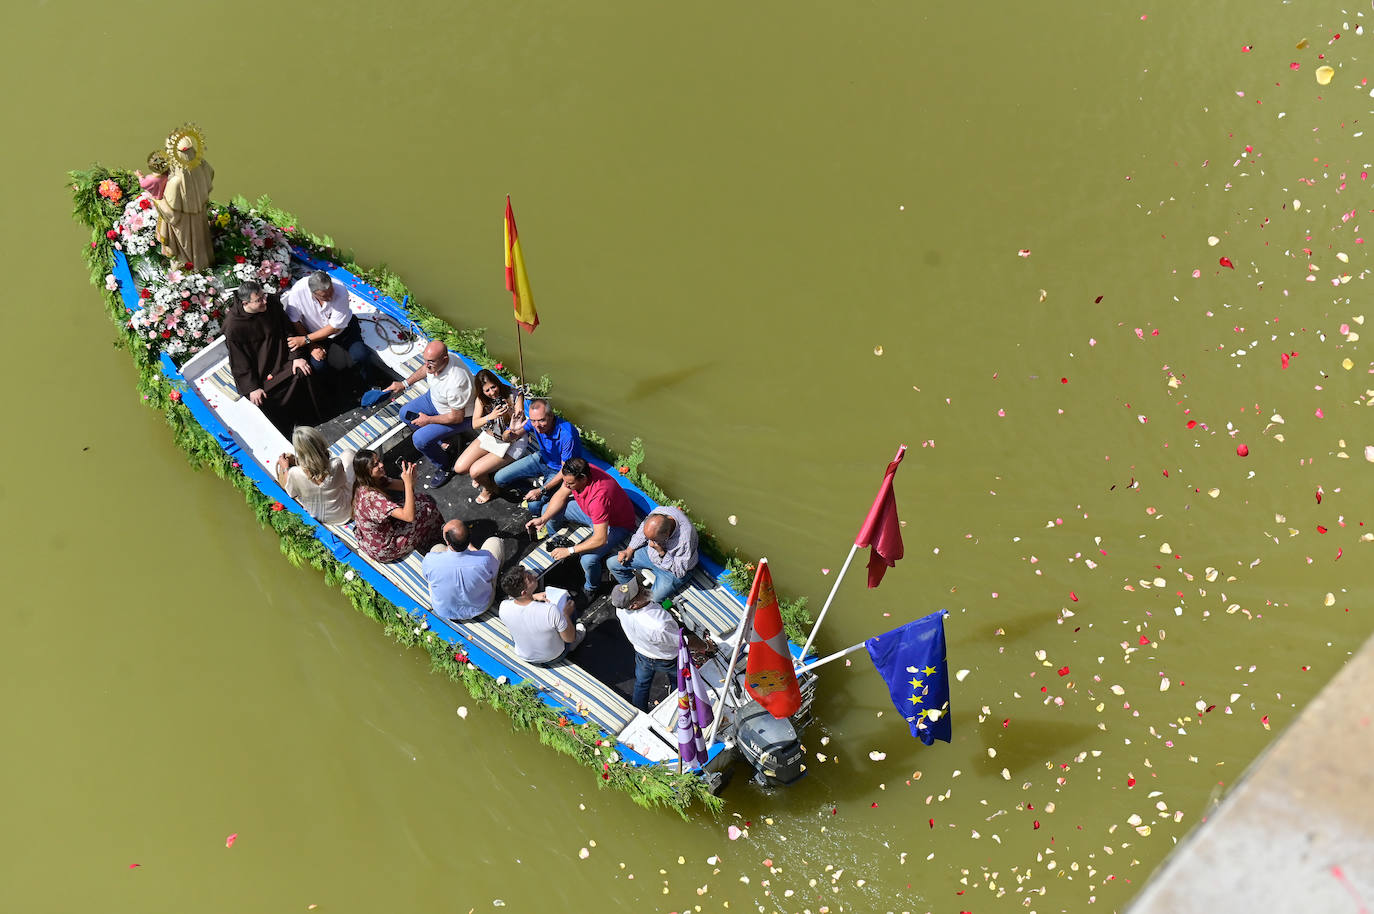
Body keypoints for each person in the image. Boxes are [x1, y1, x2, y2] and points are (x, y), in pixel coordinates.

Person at [525, 457, 636, 602]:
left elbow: (600, 539)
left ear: (583, 479)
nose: (566, 485)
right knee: (548, 510)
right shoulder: (578, 471)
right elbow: (560, 494)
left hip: (615, 525)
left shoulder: (598, 498)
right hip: (590, 513)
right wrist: (543, 519)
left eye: (570, 483)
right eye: (565, 481)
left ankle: (592, 587)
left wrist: (570, 551)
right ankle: (557, 544)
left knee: (588, 560)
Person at [222, 280, 321, 433]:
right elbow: (239, 360)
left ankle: (316, 419)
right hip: (260, 371)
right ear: (245, 303)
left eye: (264, 295)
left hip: (283, 357)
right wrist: (252, 387)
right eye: (259, 300)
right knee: (263, 398)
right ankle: (288, 431)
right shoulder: (234, 326)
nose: (264, 301)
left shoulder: (272, 304)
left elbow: (288, 329)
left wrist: (296, 356)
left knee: (303, 371)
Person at [384, 341, 474, 488]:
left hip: (457, 416)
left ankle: (445, 465)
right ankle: (441, 441)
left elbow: (457, 417)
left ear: (444, 359)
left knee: (419, 439)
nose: (426, 365)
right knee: (405, 413)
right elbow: (425, 369)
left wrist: (428, 421)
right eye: (425, 360)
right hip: (435, 400)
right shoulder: (436, 363)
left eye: (430, 361)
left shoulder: (456, 382)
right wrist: (404, 384)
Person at [350, 449, 444, 563]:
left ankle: (428, 534)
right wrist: (409, 484)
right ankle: (436, 539)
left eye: (379, 461)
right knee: (429, 510)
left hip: (376, 535)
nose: (381, 465)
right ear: (367, 472)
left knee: (421, 499)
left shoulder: (367, 481)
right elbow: (409, 516)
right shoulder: (372, 499)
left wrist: (411, 479)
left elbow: (404, 487)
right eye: (375, 465)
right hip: (385, 548)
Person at [282, 271, 374, 385]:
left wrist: (305, 340)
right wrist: (311, 345)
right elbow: (294, 320)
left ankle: (369, 384)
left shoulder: (340, 290)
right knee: (318, 365)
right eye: (325, 296)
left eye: (331, 292)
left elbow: (334, 327)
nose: (330, 297)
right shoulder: (297, 292)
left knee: (361, 355)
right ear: (313, 293)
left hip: (343, 330)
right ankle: (338, 389)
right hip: (315, 334)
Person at [452, 370, 530, 504]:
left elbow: (518, 424)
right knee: (460, 468)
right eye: (487, 390)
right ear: (482, 391)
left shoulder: (515, 395)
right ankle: (486, 474)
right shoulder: (482, 399)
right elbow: (475, 423)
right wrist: (490, 416)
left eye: (494, 387)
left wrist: (510, 413)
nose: (492, 393)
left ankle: (490, 489)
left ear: (498, 383)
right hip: (492, 436)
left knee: (475, 472)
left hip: (513, 439)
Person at [492, 398, 582, 512]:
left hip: (559, 470)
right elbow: (508, 439)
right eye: (533, 421)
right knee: (499, 478)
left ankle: (543, 499)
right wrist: (510, 431)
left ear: (551, 415)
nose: (537, 425)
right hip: (542, 458)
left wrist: (542, 490)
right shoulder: (533, 422)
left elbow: (565, 470)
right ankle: (531, 491)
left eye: (541, 420)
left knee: (533, 505)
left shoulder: (567, 435)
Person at [610, 577, 681, 711]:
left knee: (641, 684)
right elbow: (680, 642)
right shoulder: (658, 624)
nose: (642, 587)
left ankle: (639, 710)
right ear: (634, 605)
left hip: (642, 654)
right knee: (678, 680)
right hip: (666, 660)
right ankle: (675, 707)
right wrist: (704, 646)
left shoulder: (620, 609)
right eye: (639, 591)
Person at [422, 518, 511, 623]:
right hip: (480, 607)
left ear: (447, 541)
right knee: (495, 541)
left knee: (437, 548)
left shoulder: (430, 560)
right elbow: (492, 571)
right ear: (469, 537)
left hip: (444, 610)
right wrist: (474, 552)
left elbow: (426, 576)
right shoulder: (484, 560)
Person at [608, 505, 699, 605]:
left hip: (671, 572)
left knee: (649, 603)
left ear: (667, 534)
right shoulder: (659, 512)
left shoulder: (684, 540)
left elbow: (679, 572)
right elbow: (642, 533)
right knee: (612, 564)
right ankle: (634, 592)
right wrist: (629, 549)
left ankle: (646, 601)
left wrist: (661, 552)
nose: (650, 543)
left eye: (654, 540)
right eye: (649, 539)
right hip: (650, 555)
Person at [498, 566, 585, 665]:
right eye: (529, 579)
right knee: (568, 608)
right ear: (524, 592)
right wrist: (566, 615)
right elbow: (569, 639)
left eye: (529, 573)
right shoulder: (550, 610)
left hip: (524, 655)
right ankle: (574, 642)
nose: (533, 576)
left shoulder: (503, 607)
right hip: (554, 656)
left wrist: (533, 596)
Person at [153, 129, 214, 269]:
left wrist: (155, 200)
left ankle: (187, 271)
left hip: (183, 226)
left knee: (185, 252)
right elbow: (211, 174)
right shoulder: (202, 166)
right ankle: (203, 265)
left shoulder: (175, 182)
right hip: (199, 216)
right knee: (201, 243)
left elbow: (171, 214)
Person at [274, 426, 356, 524]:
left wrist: (285, 468)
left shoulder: (294, 473)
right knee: (348, 453)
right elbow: (343, 483)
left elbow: (291, 493)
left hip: (318, 517)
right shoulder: (336, 464)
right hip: (344, 514)